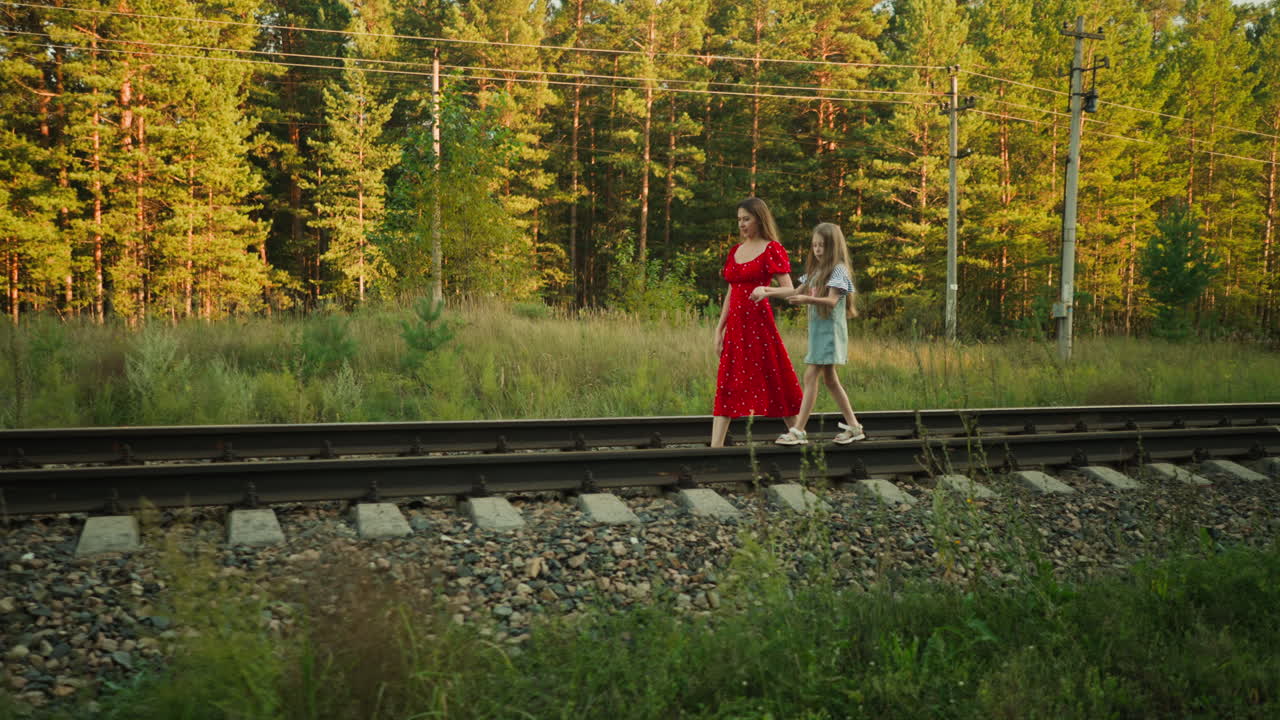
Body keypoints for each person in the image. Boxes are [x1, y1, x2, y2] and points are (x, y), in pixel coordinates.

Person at [750, 222, 865, 445]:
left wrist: (807, 300)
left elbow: (832, 301)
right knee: (830, 380)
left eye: (822, 245)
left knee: (810, 376)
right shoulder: (816, 271)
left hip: (829, 334)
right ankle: (854, 426)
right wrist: (767, 291)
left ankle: (798, 430)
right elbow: (794, 291)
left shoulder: (839, 270)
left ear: (833, 246)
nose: (818, 250)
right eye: (815, 245)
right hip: (818, 334)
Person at [711, 198, 803, 448]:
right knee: (728, 383)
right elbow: (732, 291)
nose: (741, 224)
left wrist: (766, 290)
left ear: (759, 219)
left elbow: (791, 291)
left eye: (746, 219)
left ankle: (797, 435)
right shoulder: (735, 251)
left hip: (760, 325)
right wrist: (720, 328)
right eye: (739, 219)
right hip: (735, 328)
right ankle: (714, 449)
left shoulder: (771, 248)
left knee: (775, 379)